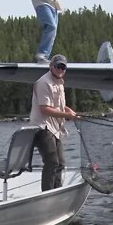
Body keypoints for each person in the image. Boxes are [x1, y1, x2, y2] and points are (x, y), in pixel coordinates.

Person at [30, 54, 77, 191]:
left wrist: (70, 112)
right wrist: (67, 115)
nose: (60, 69)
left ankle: (57, 191)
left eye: (63, 67)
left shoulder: (60, 83)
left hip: (55, 128)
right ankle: (47, 194)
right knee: (52, 162)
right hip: (42, 127)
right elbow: (45, 109)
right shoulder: (44, 82)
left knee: (60, 163)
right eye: (58, 66)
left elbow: (59, 106)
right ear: (51, 67)